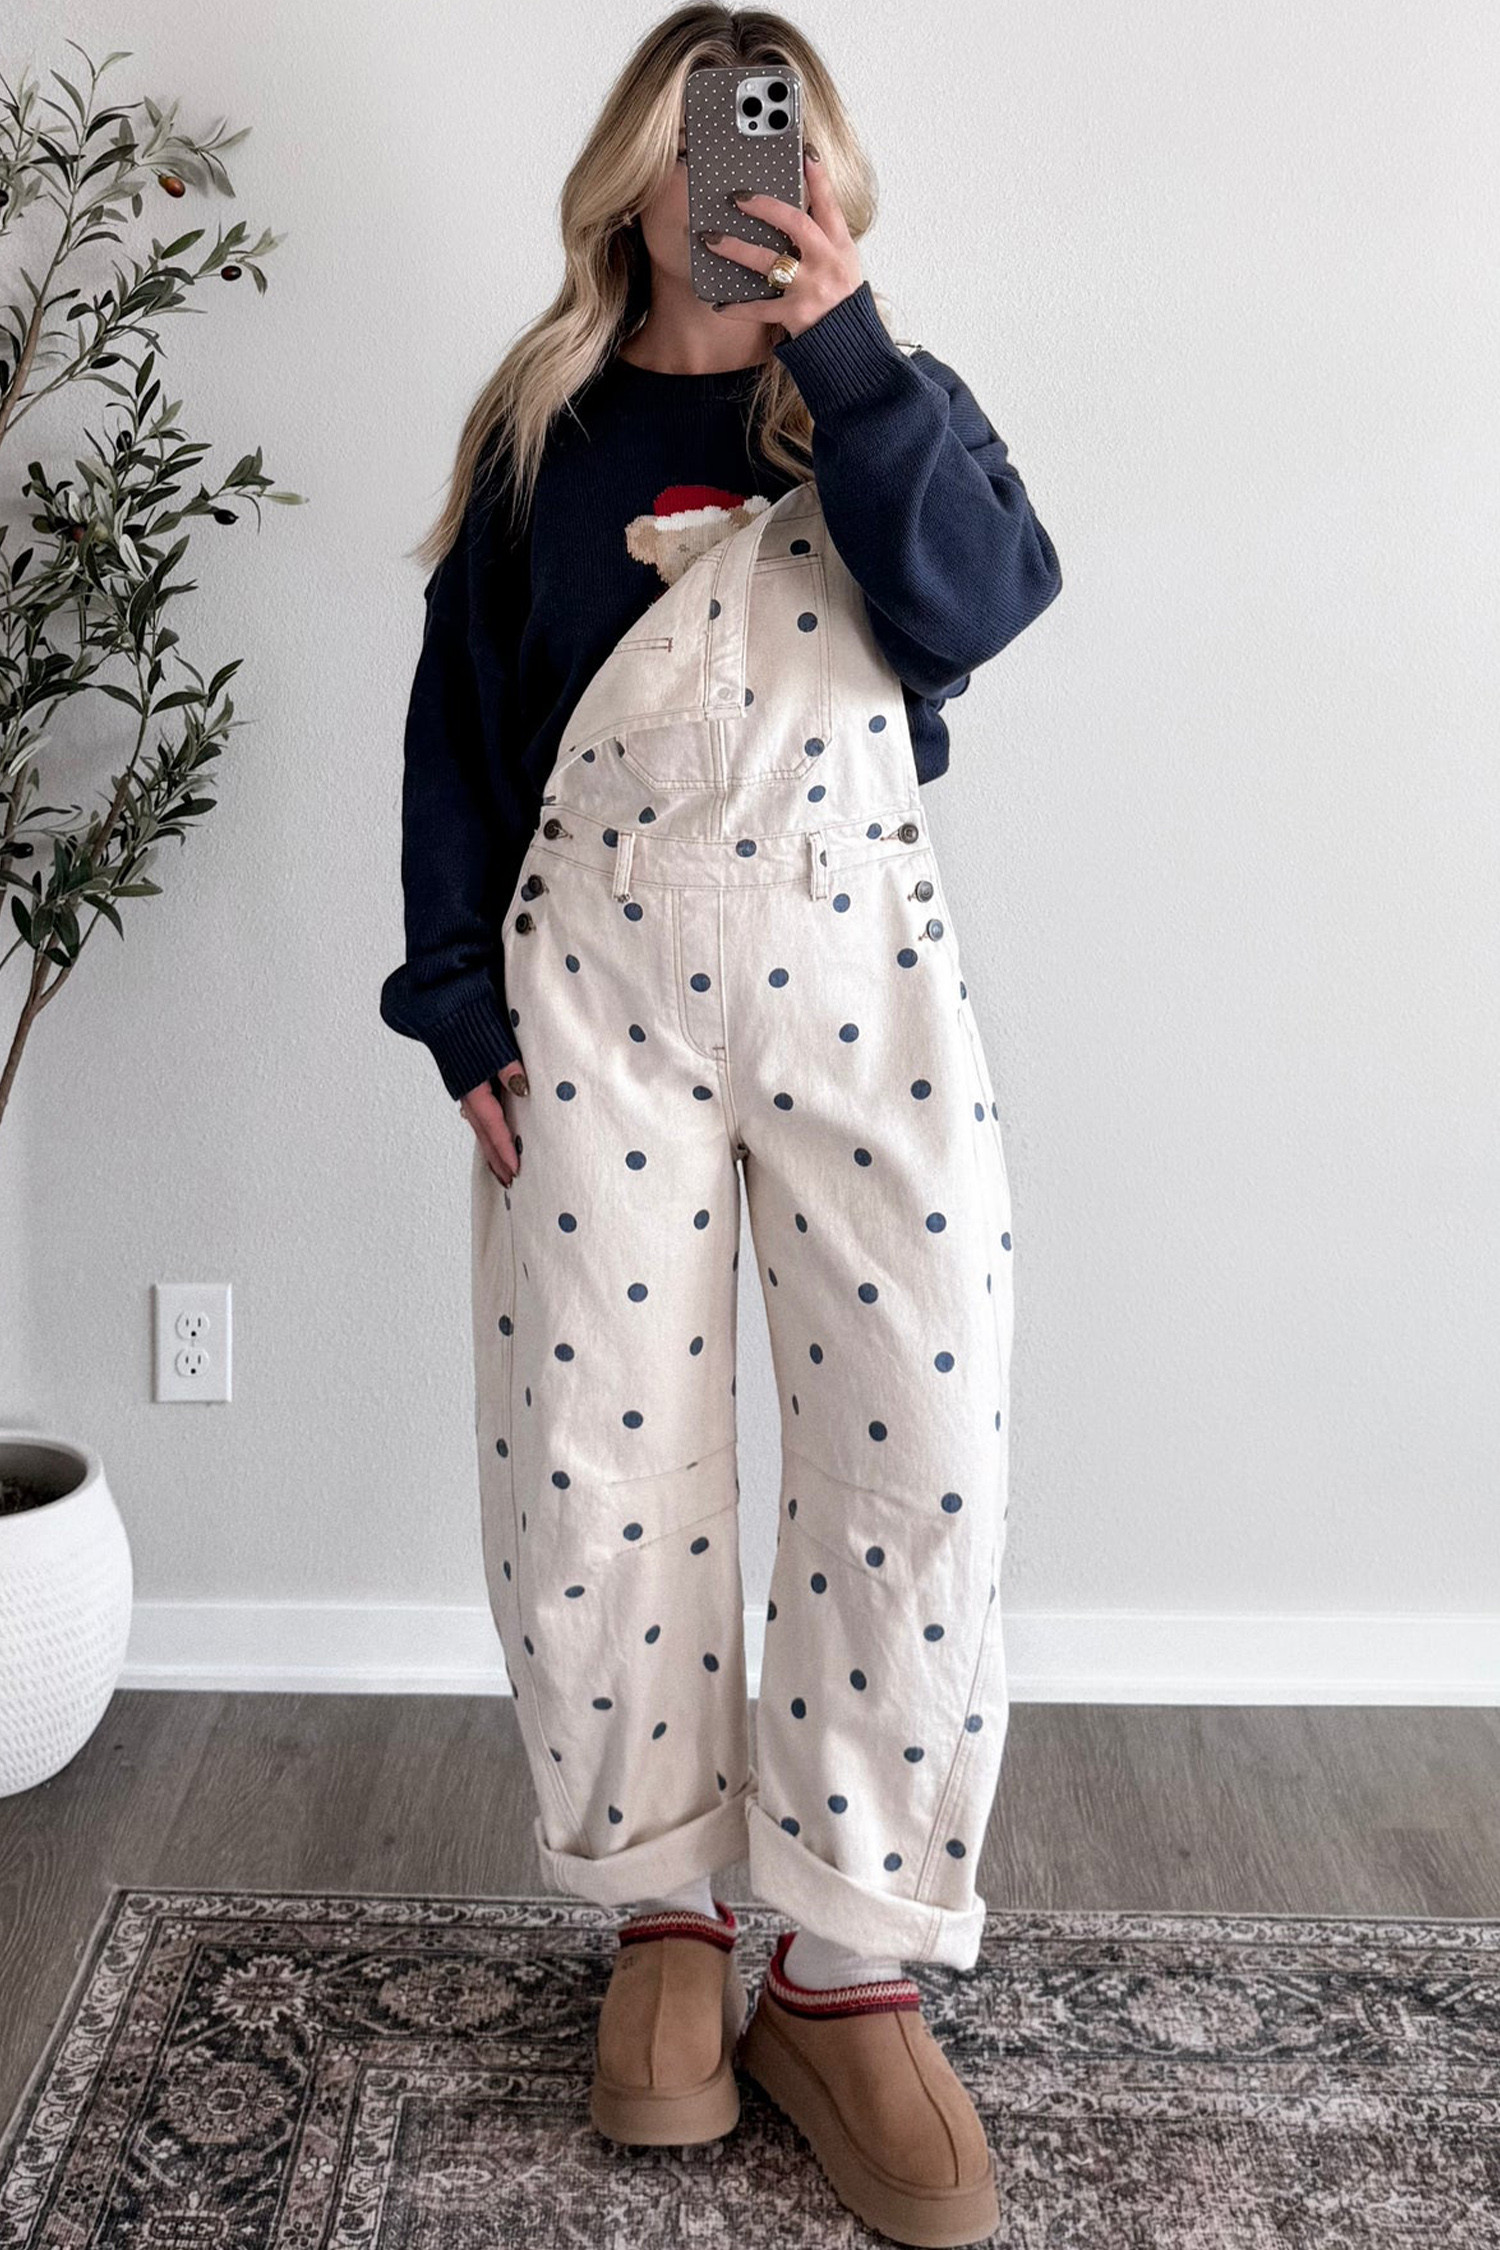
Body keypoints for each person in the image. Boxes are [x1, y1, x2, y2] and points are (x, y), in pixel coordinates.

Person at [379, 9, 1061, 2241]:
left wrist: (844, 350)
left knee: (915, 1439)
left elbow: (981, 605)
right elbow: (456, 731)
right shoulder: (540, 428)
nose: (735, 177)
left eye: (776, 143)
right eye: (705, 136)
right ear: (635, 168)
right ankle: (668, 1916)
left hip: (864, 981)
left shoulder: (886, 411)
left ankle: (846, 1966)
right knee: (598, 1450)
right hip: (594, 995)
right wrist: (454, 999)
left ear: (823, 178)